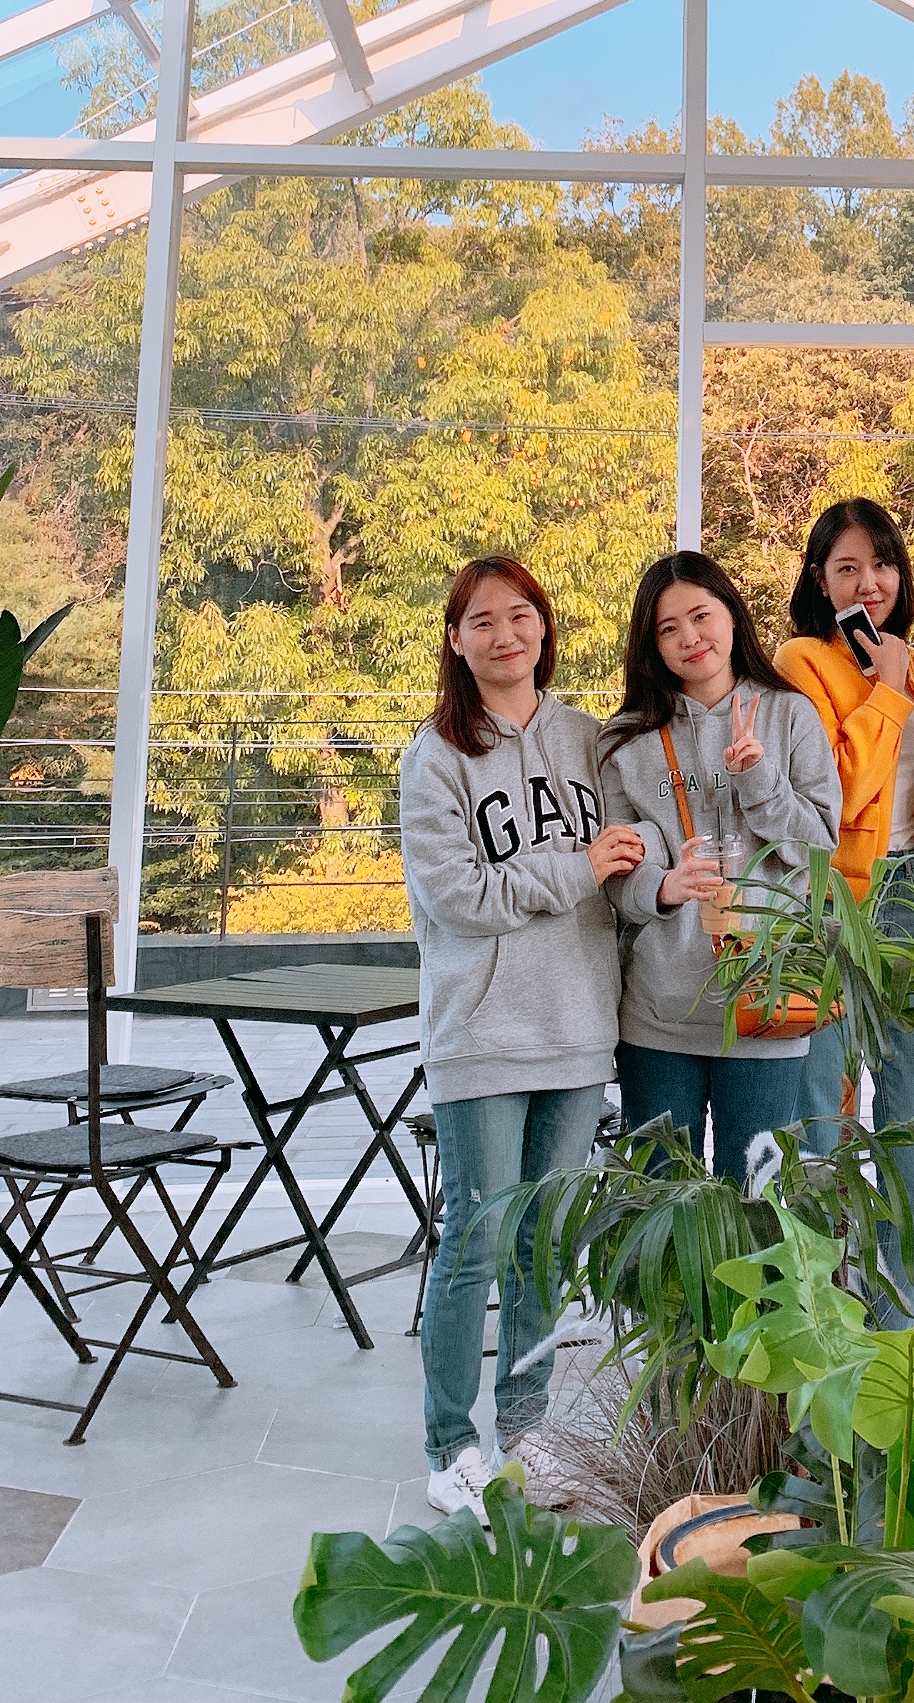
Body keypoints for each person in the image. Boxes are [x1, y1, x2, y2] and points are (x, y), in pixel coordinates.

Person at [399, 556, 646, 1522]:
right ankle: (449, 1446)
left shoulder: (589, 739)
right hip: (483, 1032)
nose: (505, 636)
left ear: (544, 627)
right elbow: (455, 898)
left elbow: (629, 861)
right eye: (482, 622)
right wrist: (575, 870)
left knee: (543, 1246)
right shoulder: (436, 757)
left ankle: (528, 1432)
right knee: (476, 1241)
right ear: (456, 641)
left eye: (520, 617)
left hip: (579, 1027)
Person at [599, 550, 841, 1189]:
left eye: (701, 616)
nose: (689, 638)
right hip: (660, 1013)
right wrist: (661, 887)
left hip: (767, 1003)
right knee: (661, 1203)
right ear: (652, 645)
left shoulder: (790, 715)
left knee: (758, 1207)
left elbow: (820, 851)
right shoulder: (625, 739)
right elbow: (614, 876)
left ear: (732, 615)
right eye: (668, 628)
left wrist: (759, 780)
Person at [777, 498, 914, 1311]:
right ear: (820, 580)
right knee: (820, 1126)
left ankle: (892, 1336)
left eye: (881, 564)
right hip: (835, 901)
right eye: (847, 567)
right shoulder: (802, 663)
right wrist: (885, 693)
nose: (868, 582)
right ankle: (823, 1332)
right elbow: (838, 792)